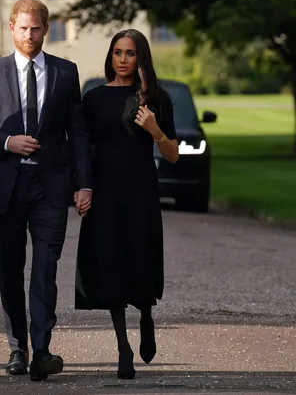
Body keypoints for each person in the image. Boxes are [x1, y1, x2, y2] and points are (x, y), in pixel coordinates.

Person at [0, 0, 93, 382]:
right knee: (10, 270)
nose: (29, 35)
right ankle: (17, 347)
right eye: (23, 28)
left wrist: (84, 183)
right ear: (11, 28)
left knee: (45, 270)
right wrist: (6, 142)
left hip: (52, 188)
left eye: (36, 28)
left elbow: (79, 134)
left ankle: (42, 349)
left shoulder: (66, 73)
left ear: (46, 29)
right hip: (7, 188)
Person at [74, 29, 179, 379]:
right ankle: (123, 348)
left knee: (141, 258)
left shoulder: (156, 99)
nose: (122, 59)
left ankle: (146, 315)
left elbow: (174, 154)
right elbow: (82, 150)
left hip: (141, 191)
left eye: (130, 53)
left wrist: (155, 129)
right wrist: (82, 188)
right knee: (110, 263)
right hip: (104, 192)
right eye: (117, 52)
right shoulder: (93, 98)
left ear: (140, 57)